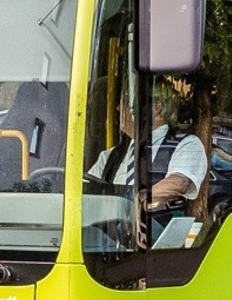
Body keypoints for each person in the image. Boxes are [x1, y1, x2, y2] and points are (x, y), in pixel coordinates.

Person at [86, 82, 208, 212]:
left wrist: (131, 201)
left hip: (157, 230)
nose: (118, 109)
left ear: (156, 107)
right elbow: (87, 189)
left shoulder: (187, 144)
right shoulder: (109, 156)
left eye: (128, 103)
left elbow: (178, 183)